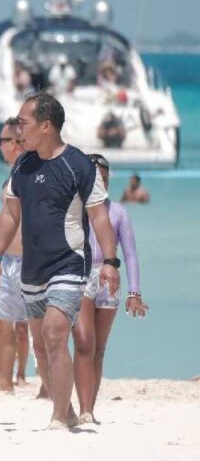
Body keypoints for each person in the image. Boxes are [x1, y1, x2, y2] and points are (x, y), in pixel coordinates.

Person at [0, 93, 120, 431]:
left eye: (23, 122)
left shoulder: (78, 165)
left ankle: (59, 417)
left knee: (54, 332)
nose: (18, 129)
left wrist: (110, 261)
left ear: (45, 126)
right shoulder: (23, 165)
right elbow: (9, 216)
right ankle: (67, 407)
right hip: (32, 271)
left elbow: (100, 217)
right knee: (42, 347)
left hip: (69, 265)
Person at [73, 154, 147, 424]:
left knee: (98, 349)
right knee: (84, 342)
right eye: (94, 179)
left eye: (104, 179)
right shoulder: (73, 208)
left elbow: (130, 256)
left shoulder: (118, 212)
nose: (99, 184)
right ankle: (83, 409)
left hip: (108, 279)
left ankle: (89, 409)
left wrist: (134, 292)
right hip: (79, 277)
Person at [0, 119, 31, 393]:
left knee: (36, 325)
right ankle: (5, 382)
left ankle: (45, 387)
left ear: (14, 143)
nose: (0, 147)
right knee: (2, 320)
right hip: (8, 260)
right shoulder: (12, 176)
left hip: (32, 261)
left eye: (1, 141)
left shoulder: (33, 174)